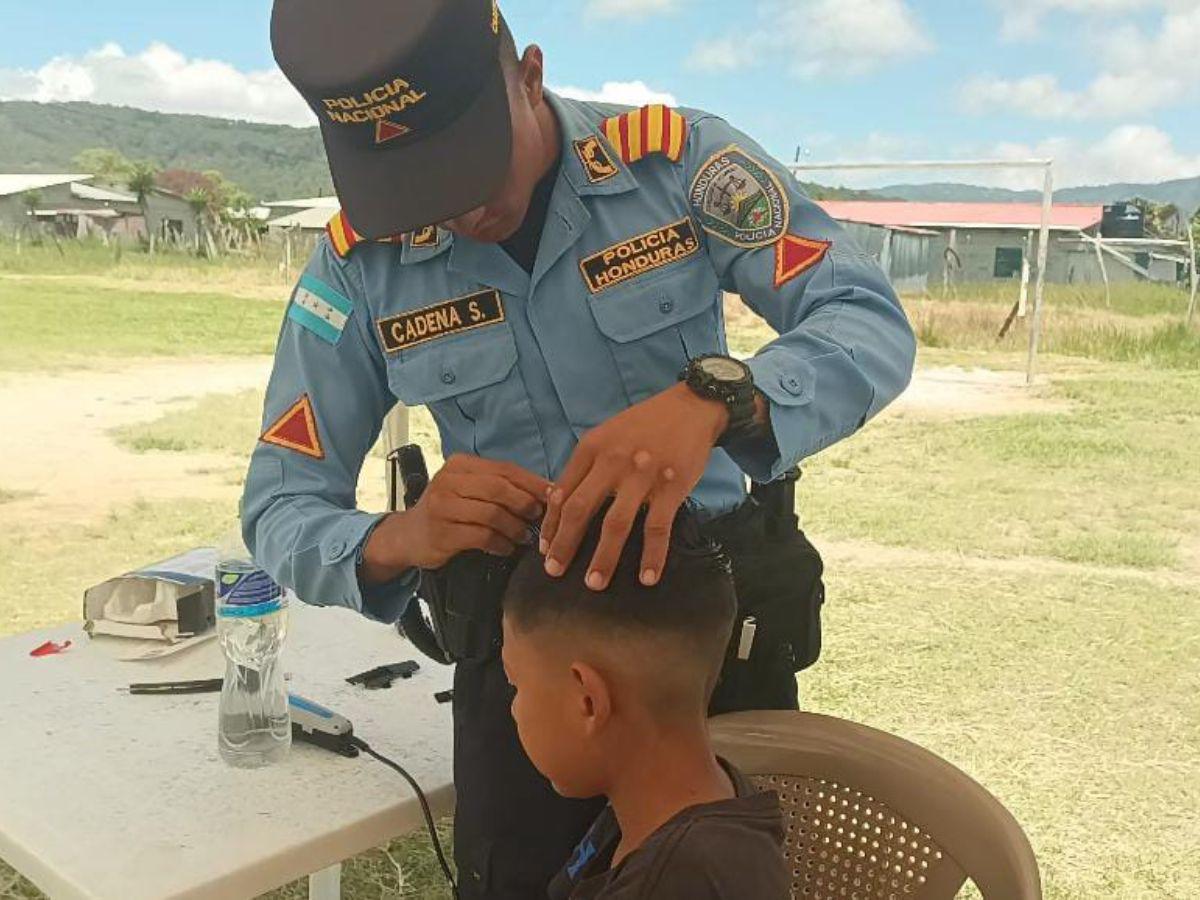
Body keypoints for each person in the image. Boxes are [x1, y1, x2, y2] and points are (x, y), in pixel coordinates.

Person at [250, 0, 916, 896]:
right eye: (419, 187)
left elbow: (865, 320)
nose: (458, 210)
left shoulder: (680, 164)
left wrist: (719, 399)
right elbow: (279, 504)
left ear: (528, 75)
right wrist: (401, 537)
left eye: (470, 164)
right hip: (530, 680)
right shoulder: (355, 266)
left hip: (706, 644)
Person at [503, 506, 789, 899]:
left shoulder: (689, 879)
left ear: (587, 701)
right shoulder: (671, 803)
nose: (513, 708)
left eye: (515, 684)